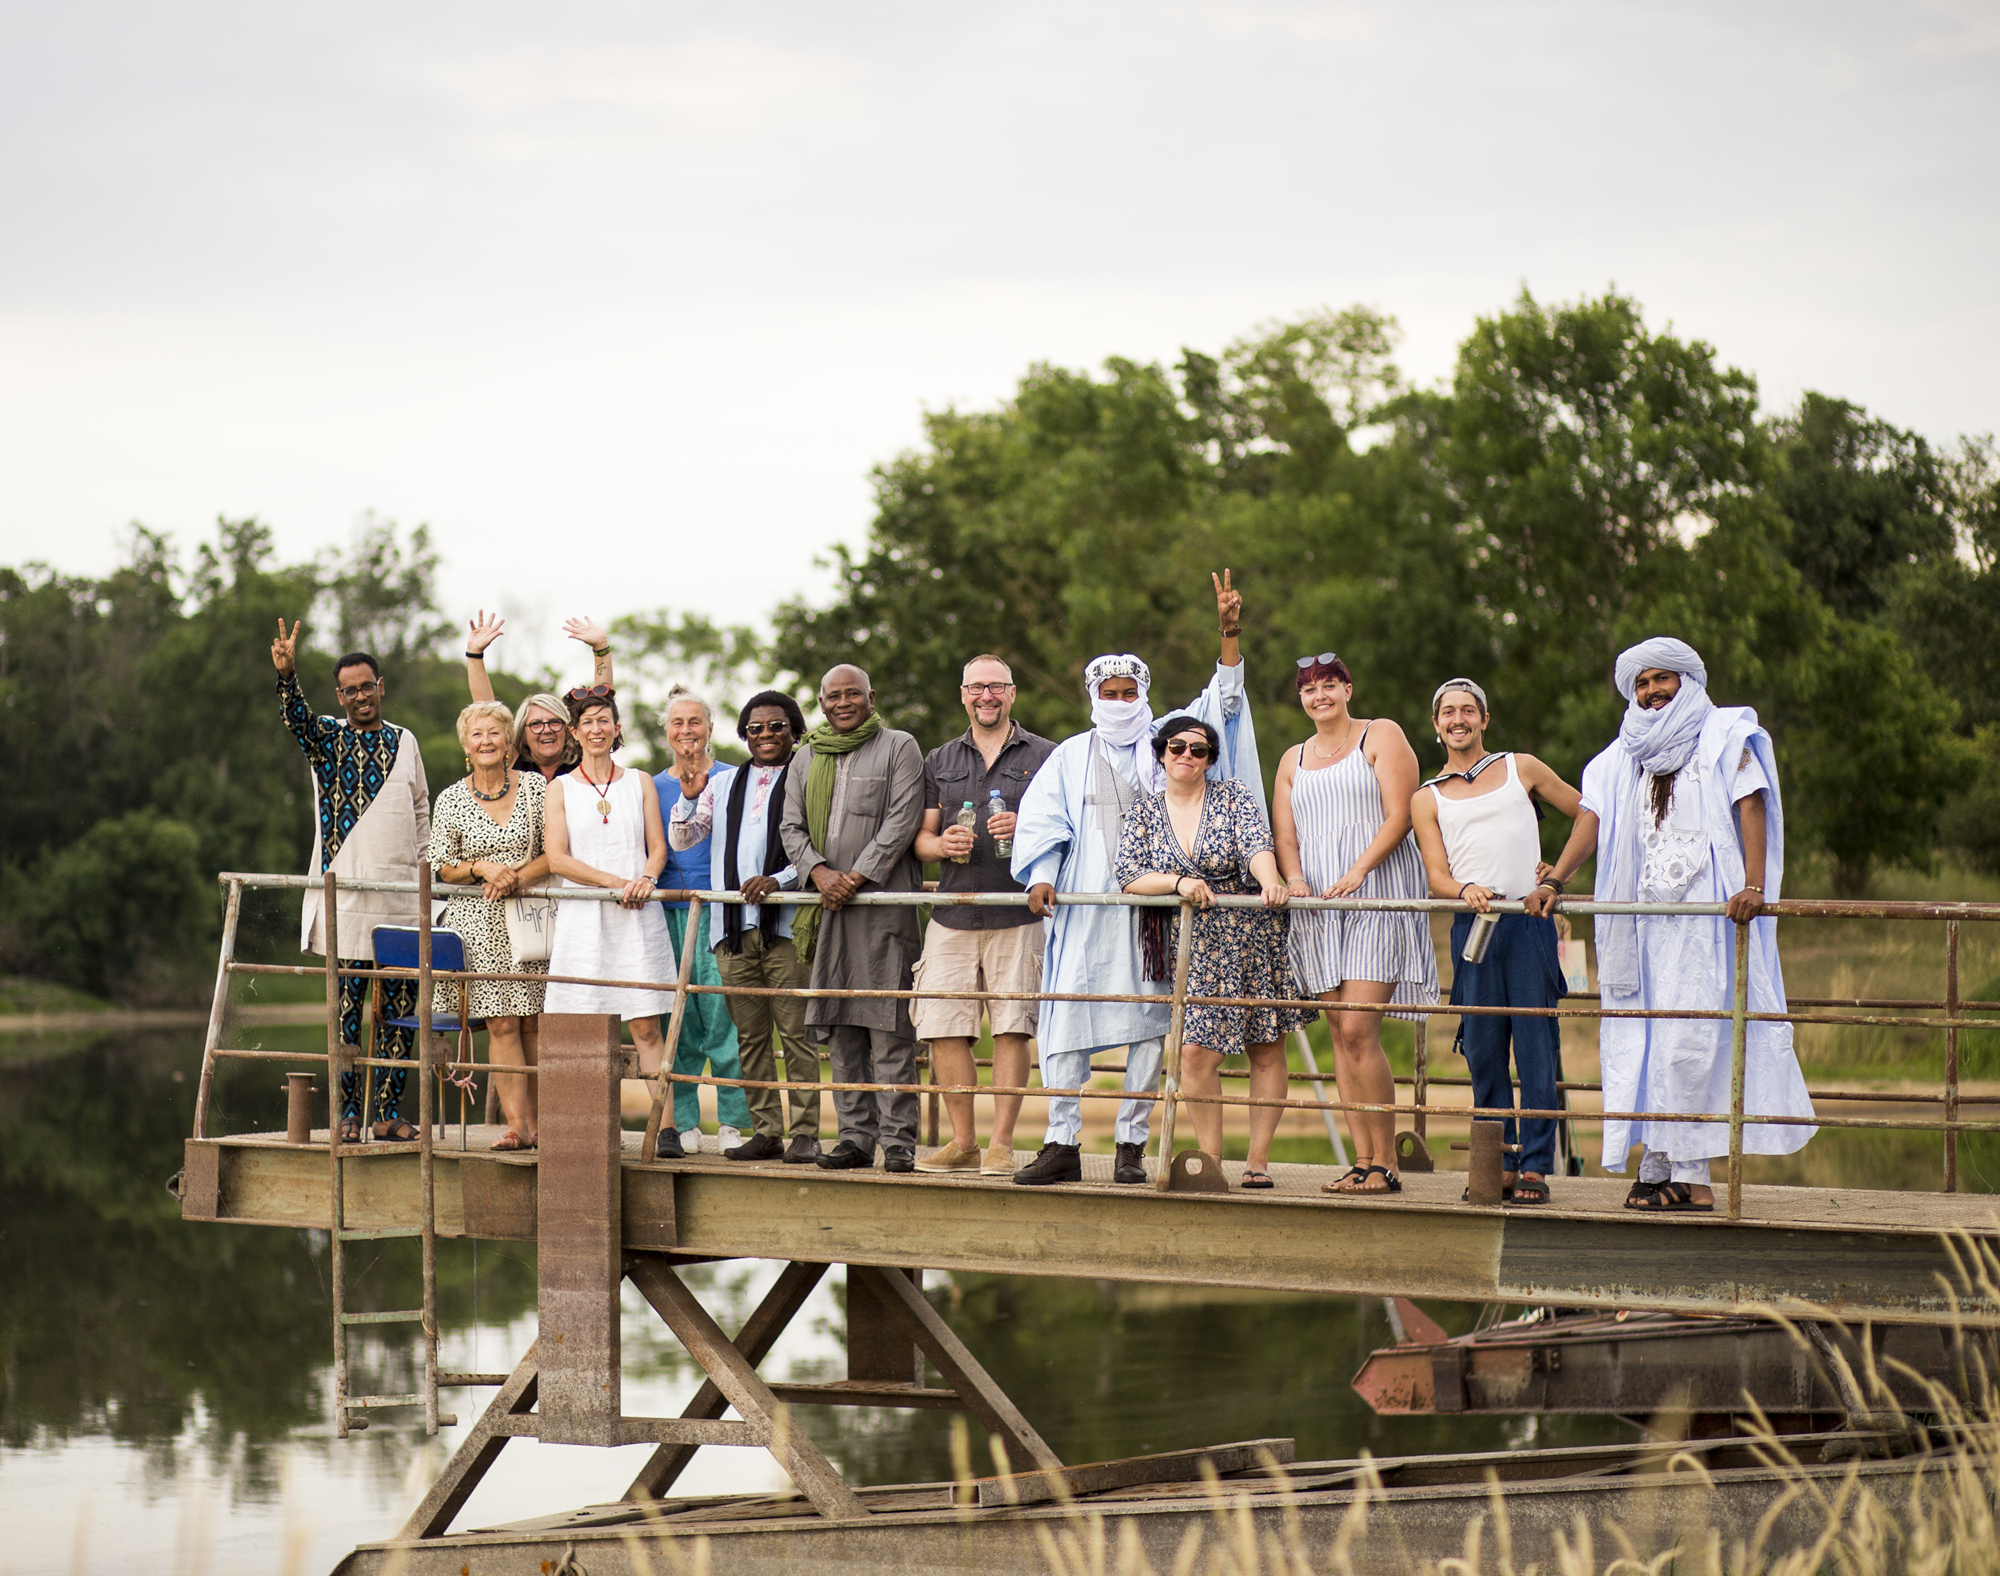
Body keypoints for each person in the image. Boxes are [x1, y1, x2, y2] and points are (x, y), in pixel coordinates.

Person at [1527, 637, 1815, 1211]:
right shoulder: (1622, 753)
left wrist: (1753, 886)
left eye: (1662, 679)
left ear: (1688, 681)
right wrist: (1555, 879)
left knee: (1692, 1039)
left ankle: (1693, 1176)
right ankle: (1659, 1165)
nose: (1652, 690)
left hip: (1703, 920)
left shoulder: (1723, 735)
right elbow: (1593, 818)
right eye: (1642, 682)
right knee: (1648, 1037)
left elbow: (1750, 804)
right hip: (1640, 924)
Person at [1011, 570, 1261, 1187]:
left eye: (1130, 692)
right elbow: (1044, 821)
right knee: (1067, 1018)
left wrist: (1228, 636)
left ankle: (1130, 1143)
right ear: (1095, 695)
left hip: (1153, 913)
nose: (1120, 701)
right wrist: (1041, 875)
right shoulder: (1069, 753)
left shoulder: (1169, 741)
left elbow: (1222, 703)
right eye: (1111, 692)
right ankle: (1061, 1140)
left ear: (1142, 693)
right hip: (1087, 908)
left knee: (1150, 1024)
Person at [1116, 716, 1316, 1188]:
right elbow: (1128, 875)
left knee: (1265, 1049)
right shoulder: (1143, 813)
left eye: (1199, 750)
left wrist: (1272, 882)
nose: (1187, 755)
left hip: (1251, 933)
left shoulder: (1234, 797)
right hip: (1195, 945)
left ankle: (1258, 1162)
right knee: (1193, 1057)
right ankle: (1210, 1160)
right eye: (1178, 747)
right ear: (1162, 752)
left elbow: (1256, 846)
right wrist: (1177, 882)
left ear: (1210, 759)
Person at [1409, 678, 1584, 1205]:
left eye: (1468, 710)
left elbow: (1588, 812)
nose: (1457, 719)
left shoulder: (1520, 767)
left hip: (1528, 922)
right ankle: (1498, 1163)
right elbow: (1436, 874)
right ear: (1436, 725)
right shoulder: (1427, 796)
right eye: (1447, 712)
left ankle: (1534, 1166)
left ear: (1484, 719)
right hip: (1475, 926)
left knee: (1535, 1050)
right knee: (1483, 1050)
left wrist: (1559, 875)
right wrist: (1463, 888)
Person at [1273, 651, 1438, 1196]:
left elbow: (1401, 815)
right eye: (1309, 689)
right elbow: (1287, 837)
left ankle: (1387, 1162)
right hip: (1319, 903)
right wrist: (1295, 880)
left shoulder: (1380, 735)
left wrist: (1358, 871)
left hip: (1377, 890)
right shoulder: (1292, 758)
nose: (1319, 695)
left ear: (1349, 688)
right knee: (1339, 1032)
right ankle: (1361, 1158)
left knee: (1359, 1026)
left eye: (1329, 685)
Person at [272, 620, 431, 1143]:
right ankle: (346, 1116)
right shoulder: (328, 741)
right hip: (348, 904)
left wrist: (428, 887)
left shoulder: (406, 741)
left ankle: (387, 1114)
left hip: (403, 903)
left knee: (399, 1014)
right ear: (339, 696)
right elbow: (295, 719)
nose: (360, 696)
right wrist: (287, 675)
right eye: (350, 690)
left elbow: (421, 813)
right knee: (346, 1016)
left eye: (368, 686)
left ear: (380, 687)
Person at [911, 655, 1057, 1176]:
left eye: (996, 687)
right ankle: (963, 1142)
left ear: (1012, 693)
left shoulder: (1047, 756)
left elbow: (1066, 833)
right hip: (952, 912)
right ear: (963, 694)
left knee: (1014, 1028)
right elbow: (922, 838)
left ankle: (1000, 1143)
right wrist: (940, 844)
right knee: (943, 1027)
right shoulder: (939, 759)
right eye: (977, 688)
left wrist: (1028, 830)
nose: (986, 696)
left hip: (1019, 912)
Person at [778, 665, 927, 1173]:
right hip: (826, 912)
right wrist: (819, 873)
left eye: (853, 694)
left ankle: (900, 1142)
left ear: (871, 697)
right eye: (833, 696)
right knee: (840, 1028)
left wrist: (855, 877)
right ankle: (854, 1139)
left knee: (888, 1029)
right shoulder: (805, 757)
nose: (843, 703)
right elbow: (790, 826)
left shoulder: (899, 746)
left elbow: (903, 819)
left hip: (883, 907)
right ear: (821, 702)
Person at [668, 690, 823, 1163]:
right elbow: (684, 838)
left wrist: (777, 880)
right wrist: (689, 801)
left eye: (777, 726)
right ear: (744, 735)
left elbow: (817, 846)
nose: (766, 735)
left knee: (795, 1032)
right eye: (755, 728)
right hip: (732, 928)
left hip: (785, 923)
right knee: (750, 1034)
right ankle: (766, 1129)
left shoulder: (809, 776)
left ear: (795, 730)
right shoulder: (726, 782)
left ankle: (806, 1133)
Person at [542, 685, 677, 1150]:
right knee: (582, 1024)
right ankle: (583, 1133)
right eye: (587, 722)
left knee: (645, 1026)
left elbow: (657, 846)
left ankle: (666, 1129)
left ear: (617, 728)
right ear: (575, 733)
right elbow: (557, 859)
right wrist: (611, 883)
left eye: (605, 720)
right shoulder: (559, 788)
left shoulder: (638, 781)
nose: (596, 729)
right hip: (584, 920)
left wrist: (643, 877)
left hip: (637, 913)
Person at [429, 701, 550, 1150]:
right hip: (477, 924)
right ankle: (519, 1126)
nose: (486, 742)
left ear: (508, 743)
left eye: (494, 734)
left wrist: (514, 876)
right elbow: (443, 866)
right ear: (466, 744)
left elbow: (552, 850)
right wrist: (481, 867)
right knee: (501, 1025)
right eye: (477, 735)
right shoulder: (451, 798)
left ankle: (542, 1124)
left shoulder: (536, 787)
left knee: (534, 1022)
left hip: (529, 916)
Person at [653, 685, 751, 1157]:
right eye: (678, 723)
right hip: (668, 912)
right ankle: (686, 1120)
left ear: (710, 728)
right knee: (681, 1021)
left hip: (720, 911)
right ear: (666, 732)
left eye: (695, 722)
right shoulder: (652, 786)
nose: (687, 731)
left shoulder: (734, 778)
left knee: (723, 1018)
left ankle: (734, 1120)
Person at [464, 610, 613, 779]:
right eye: (535, 724)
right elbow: (487, 712)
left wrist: (601, 648)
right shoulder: (513, 761)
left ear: (568, 730)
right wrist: (474, 654)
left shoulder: (585, 760)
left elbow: (601, 710)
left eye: (554, 722)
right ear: (522, 735)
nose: (546, 730)